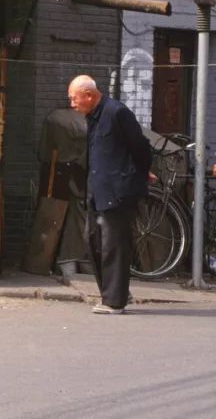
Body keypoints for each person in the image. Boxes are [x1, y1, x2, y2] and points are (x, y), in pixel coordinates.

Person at [68, 75, 152, 315]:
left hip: (118, 191)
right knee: (93, 240)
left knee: (113, 245)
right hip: (98, 190)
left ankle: (115, 302)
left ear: (89, 95)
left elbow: (140, 147)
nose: (72, 104)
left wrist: (141, 172)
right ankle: (113, 293)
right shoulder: (93, 116)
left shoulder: (117, 113)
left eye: (74, 99)